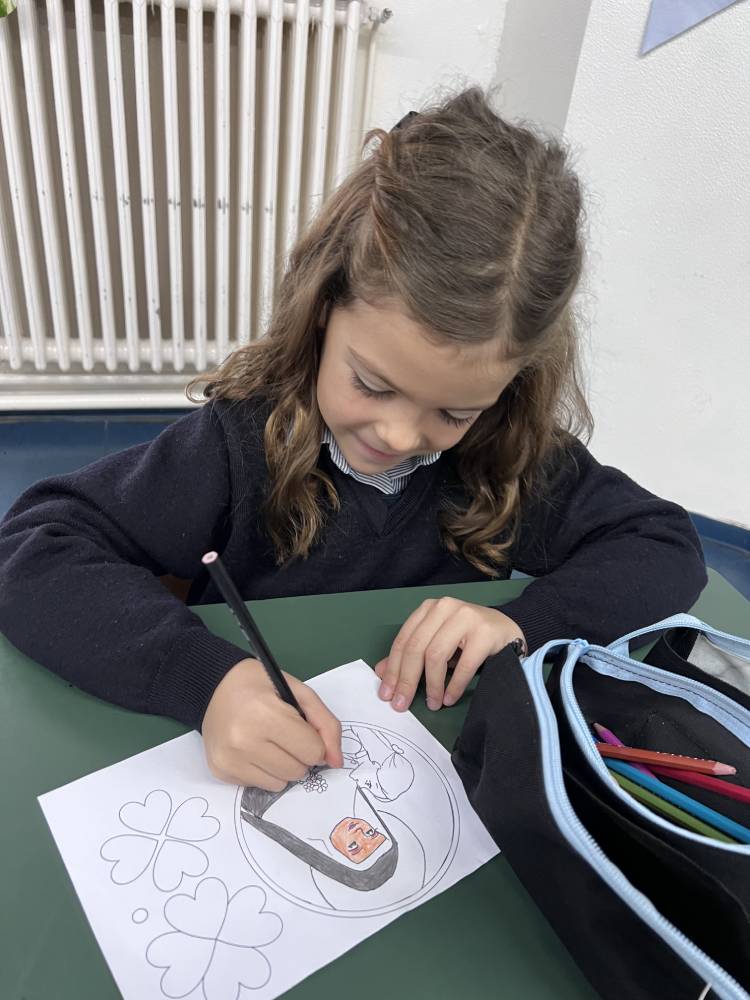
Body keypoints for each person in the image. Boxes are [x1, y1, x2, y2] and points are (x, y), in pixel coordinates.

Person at [0, 88, 706, 794]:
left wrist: (525, 624)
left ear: (511, 386)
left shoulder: (509, 450)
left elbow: (663, 544)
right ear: (321, 309)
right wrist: (204, 681)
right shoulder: (238, 444)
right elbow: (33, 548)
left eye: (454, 412)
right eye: (371, 384)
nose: (400, 435)